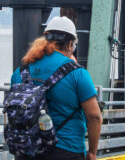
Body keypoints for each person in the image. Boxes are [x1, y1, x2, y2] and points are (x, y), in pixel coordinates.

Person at [9, 16, 102, 160]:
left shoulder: (20, 72)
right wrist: (92, 152)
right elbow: (94, 116)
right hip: (66, 150)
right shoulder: (77, 73)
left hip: (26, 150)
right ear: (70, 44)